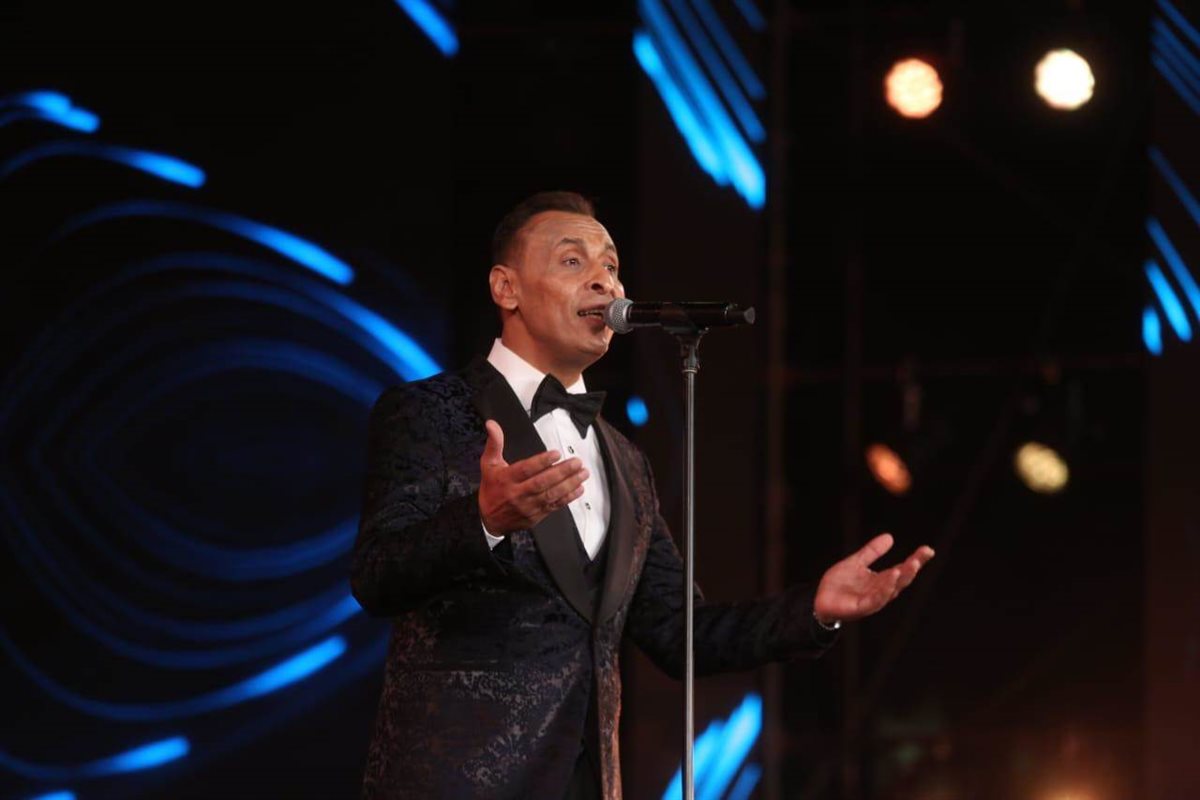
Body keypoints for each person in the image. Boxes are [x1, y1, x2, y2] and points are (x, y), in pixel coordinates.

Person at [350, 191, 935, 799]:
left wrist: (814, 609)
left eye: (611, 264)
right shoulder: (430, 412)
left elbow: (681, 633)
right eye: (572, 261)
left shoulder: (626, 461)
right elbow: (376, 575)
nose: (603, 280)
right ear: (506, 288)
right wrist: (483, 521)